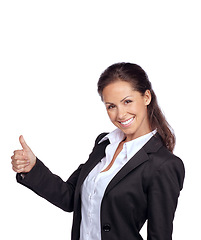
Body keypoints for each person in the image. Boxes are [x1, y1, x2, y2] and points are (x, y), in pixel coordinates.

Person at [11, 62, 185, 240]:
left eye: (127, 102)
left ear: (146, 97)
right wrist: (32, 168)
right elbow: (70, 197)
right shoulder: (104, 144)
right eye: (111, 106)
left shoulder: (163, 165)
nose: (121, 114)